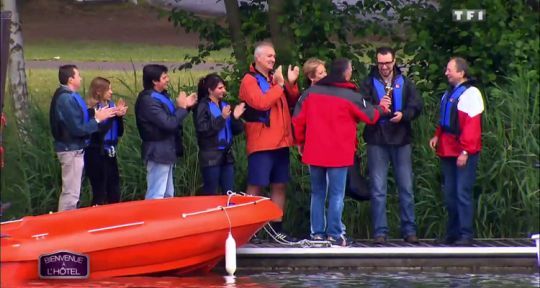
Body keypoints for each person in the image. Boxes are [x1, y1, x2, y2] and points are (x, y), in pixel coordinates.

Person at [293, 58, 390, 246]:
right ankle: (335, 234)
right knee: (336, 194)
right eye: (351, 69)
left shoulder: (309, 93)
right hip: (339, 152)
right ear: (346, 73)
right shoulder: (349, 94)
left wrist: (299, 142)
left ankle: (317, 234)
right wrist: (382, 108)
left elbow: (297, 119)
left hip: (314, 150)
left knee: (317, 193)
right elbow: (370, 116)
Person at [360, 47, 423, 244]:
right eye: (381, 63)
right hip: (377, 140)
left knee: (406, 187)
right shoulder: (368, 82)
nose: (385, 67)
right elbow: (362, 107)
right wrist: (379, 107)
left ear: (394, 61)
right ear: (376, 62)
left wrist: (404, 115)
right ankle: (380, 232)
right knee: (378, 189)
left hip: (401, 138)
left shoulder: (405, 82)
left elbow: (416, 105)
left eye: (388, 62)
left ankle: (409, 230)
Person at [239, 41, 300, 240]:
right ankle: (248, 229)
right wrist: (281, 85)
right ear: (258, 58)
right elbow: (262, 103)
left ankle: (276, 229)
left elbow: (291, 101)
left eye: (274, 56)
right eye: (269, 56)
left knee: (279, 184)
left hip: (281, 141)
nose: (273, 59)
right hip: (262, 142)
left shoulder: (275, 80)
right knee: (256, 184)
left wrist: (290, 84)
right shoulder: (249, 80)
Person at [429, 57, 484, 246]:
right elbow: (445, 119)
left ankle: (466, 234)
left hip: (463, 151)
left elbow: (472, 126)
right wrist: (437, 135)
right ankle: (452, 233)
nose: (446, 73)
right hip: (447, 150)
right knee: (450, 195)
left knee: (462, 193)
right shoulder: (449, 93)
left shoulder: (471, 94)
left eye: (450, 70)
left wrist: (466, 152)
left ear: (461, 73)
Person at [49, 65, 116, 211]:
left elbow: (80, 119)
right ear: (70, 79)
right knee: (71, 193)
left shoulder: (69, 96)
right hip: (70, 149)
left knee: (74, 191)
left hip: (75, 148)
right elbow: (77, 128)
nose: (81, 78)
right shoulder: (66, 99)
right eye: (78, 75)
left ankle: (69, 222)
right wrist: (97, 120)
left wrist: (97, 115)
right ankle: (64, 225)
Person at [135, 64, 197, 200]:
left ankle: (166, 219)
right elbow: (168, 123)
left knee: (168, 194)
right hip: (157, 151)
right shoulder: (148, 101)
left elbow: (172, 118)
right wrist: (181, 107)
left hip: (167, 150)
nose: (168, 79)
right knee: (156, 193)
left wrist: (186, 107)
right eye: (164, 77)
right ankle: (152, 219)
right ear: (154, 81)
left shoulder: (160, 96)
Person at [193, 73, 245, 195]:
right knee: (211, 192)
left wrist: (235, 118)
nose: (224, 91)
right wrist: (222, 118)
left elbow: (236, 130)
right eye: (220, 88)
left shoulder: (225, 105)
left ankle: (229, 212)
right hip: (211, 156)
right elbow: (202, 129)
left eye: (224, 87)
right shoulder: (202, 106)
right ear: (210, 90)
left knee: (229, 192)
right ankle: (209, 213)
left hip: (227, 156)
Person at [84, 77, 128, 205]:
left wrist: (118, 117)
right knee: (100, 191)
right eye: (108, 89)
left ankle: (114, 216)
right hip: (96, 153)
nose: (111, 92)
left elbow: (119, 132)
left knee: (114, 190)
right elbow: (94, 133)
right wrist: (107, 117)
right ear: (98, 91)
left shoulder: (111, 107)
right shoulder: (91, 111)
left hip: (111, 153)